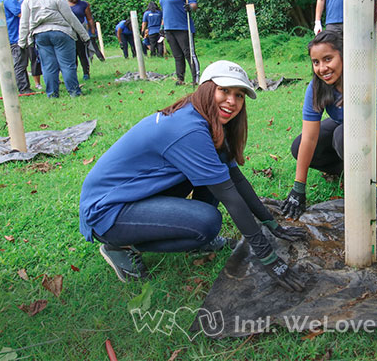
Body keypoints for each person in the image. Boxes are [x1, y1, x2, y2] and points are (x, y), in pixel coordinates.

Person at [79, 60, 306, 290]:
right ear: (207, 89)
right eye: (224, 90)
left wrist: (271, 223)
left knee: (215, 176)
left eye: (239, 95)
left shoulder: (204, 118)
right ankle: (120, 246)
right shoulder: (189, 129)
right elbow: (229, 195)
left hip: (136, 194)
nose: (232, 101)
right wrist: (267, 256)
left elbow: (235, 179)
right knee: (207, 223)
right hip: (107, 210)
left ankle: (194, 239)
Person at [282, 30, 377, 221]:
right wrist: (298, 188)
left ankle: (369, 174)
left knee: (342, 136)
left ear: (345, 56)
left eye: (328, 59)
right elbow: (309, 137)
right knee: (299, 147)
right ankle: (354, 170)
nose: (322, 68)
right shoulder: (316, 87)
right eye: (316, 62)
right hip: (345, 126)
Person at [19, 0, 90, 98]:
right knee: (67, 65)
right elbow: (71, 18)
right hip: (62, 33)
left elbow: (24, 23)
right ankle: (74, 92)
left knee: (48, 66)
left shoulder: (28, 1)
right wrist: (85, 36)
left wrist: (22, 43)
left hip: (40, 34)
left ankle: (52, 94)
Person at [160, 0, 198, 85]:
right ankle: (180, 79)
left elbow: (194, 5)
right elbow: (166, 11)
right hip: (169, 28)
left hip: (183, 27)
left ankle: (195, 79)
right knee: (177, 55)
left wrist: (189, 7)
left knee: (189, 54)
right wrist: (162, 26)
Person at [0, 0, 33, 94]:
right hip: (14, 37)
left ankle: (24, 86)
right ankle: (23, 88)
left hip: (10, 35)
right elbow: (20, 14)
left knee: (20, 63)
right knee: (20, 64)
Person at [63, 0, 99, 80]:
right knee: (71, 55)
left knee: (82, 53)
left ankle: (86, 73)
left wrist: (92, 30)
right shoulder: (62, 4)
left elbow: (89, 18)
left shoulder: (84, 4)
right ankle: (73, 74)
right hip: (68, 32)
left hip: (80, 31)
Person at [20, 0, 43, 90]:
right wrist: (22, 40)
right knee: (34, 60)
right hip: (30, 37)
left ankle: (54, 80)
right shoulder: (24, 3)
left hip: (42, 34)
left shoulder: (43, 1)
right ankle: (37, 83)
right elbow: (23, 22)